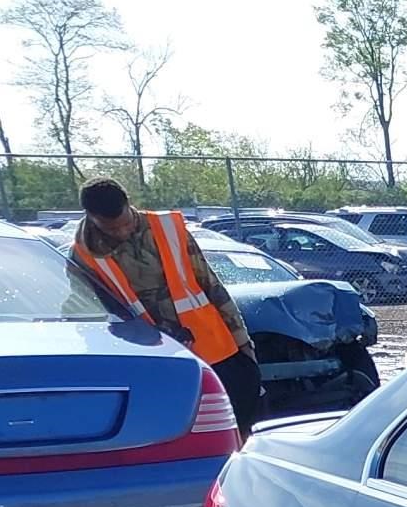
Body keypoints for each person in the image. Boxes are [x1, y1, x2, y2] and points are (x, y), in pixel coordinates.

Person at [67, 176, 263, 437]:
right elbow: (91, 314)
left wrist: (243, 343)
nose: (122, 232)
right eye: (111, 229)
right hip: (155, 361)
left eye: (125, 224)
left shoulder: (167, 228)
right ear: (91, 217)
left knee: (240, 427)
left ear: (129, 205)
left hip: (216, 350)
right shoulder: (83, 255)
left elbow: (211, 285)